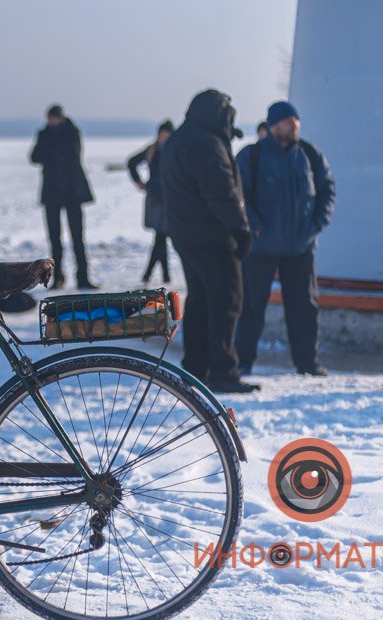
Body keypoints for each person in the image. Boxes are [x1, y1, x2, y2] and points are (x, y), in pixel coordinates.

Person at [160, 89, 259, 394]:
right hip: (213, 237)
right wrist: (240, 230)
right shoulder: (207, 144)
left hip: (185, 235)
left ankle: (196, 368)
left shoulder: (178, 140)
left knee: (201, 301)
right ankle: (222, 372)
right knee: (226, 302)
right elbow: (222, 194)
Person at [234, 101, 336, 377]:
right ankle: (242, 361)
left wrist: (318, 222)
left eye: (296, 121)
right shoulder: (252, 156)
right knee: (251, 307)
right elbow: (240, 195)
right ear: (273, 125)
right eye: (287, 122)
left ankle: (307, 363)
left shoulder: (310, 154)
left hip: (301, 246)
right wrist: (254, 227)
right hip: (261, 246)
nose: (293, 126)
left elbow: (327, 189)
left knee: (304, 308)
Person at [30, 104, 96, 289]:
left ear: (59, 118)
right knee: (54, 239)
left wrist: (49, 153)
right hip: (52, 193)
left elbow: (72, 155)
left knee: (77, 237)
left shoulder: (72, 132)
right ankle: (57, 277)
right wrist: (52, 153)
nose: (50, 122)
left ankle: (83, 277)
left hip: (72, 192)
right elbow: (34, 156)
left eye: (52, 119)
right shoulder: (44, 134)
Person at [127, 120, 174, 284]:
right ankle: (160, 275)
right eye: (161, 135)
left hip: (169, 196)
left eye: (166, 135)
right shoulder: (152, 149)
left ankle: (152, 274)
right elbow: (131, 162)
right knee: (161, 235)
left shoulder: (174, 150)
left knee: (161, 236)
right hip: (155, 196)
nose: (163, 138)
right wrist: (139, 182)